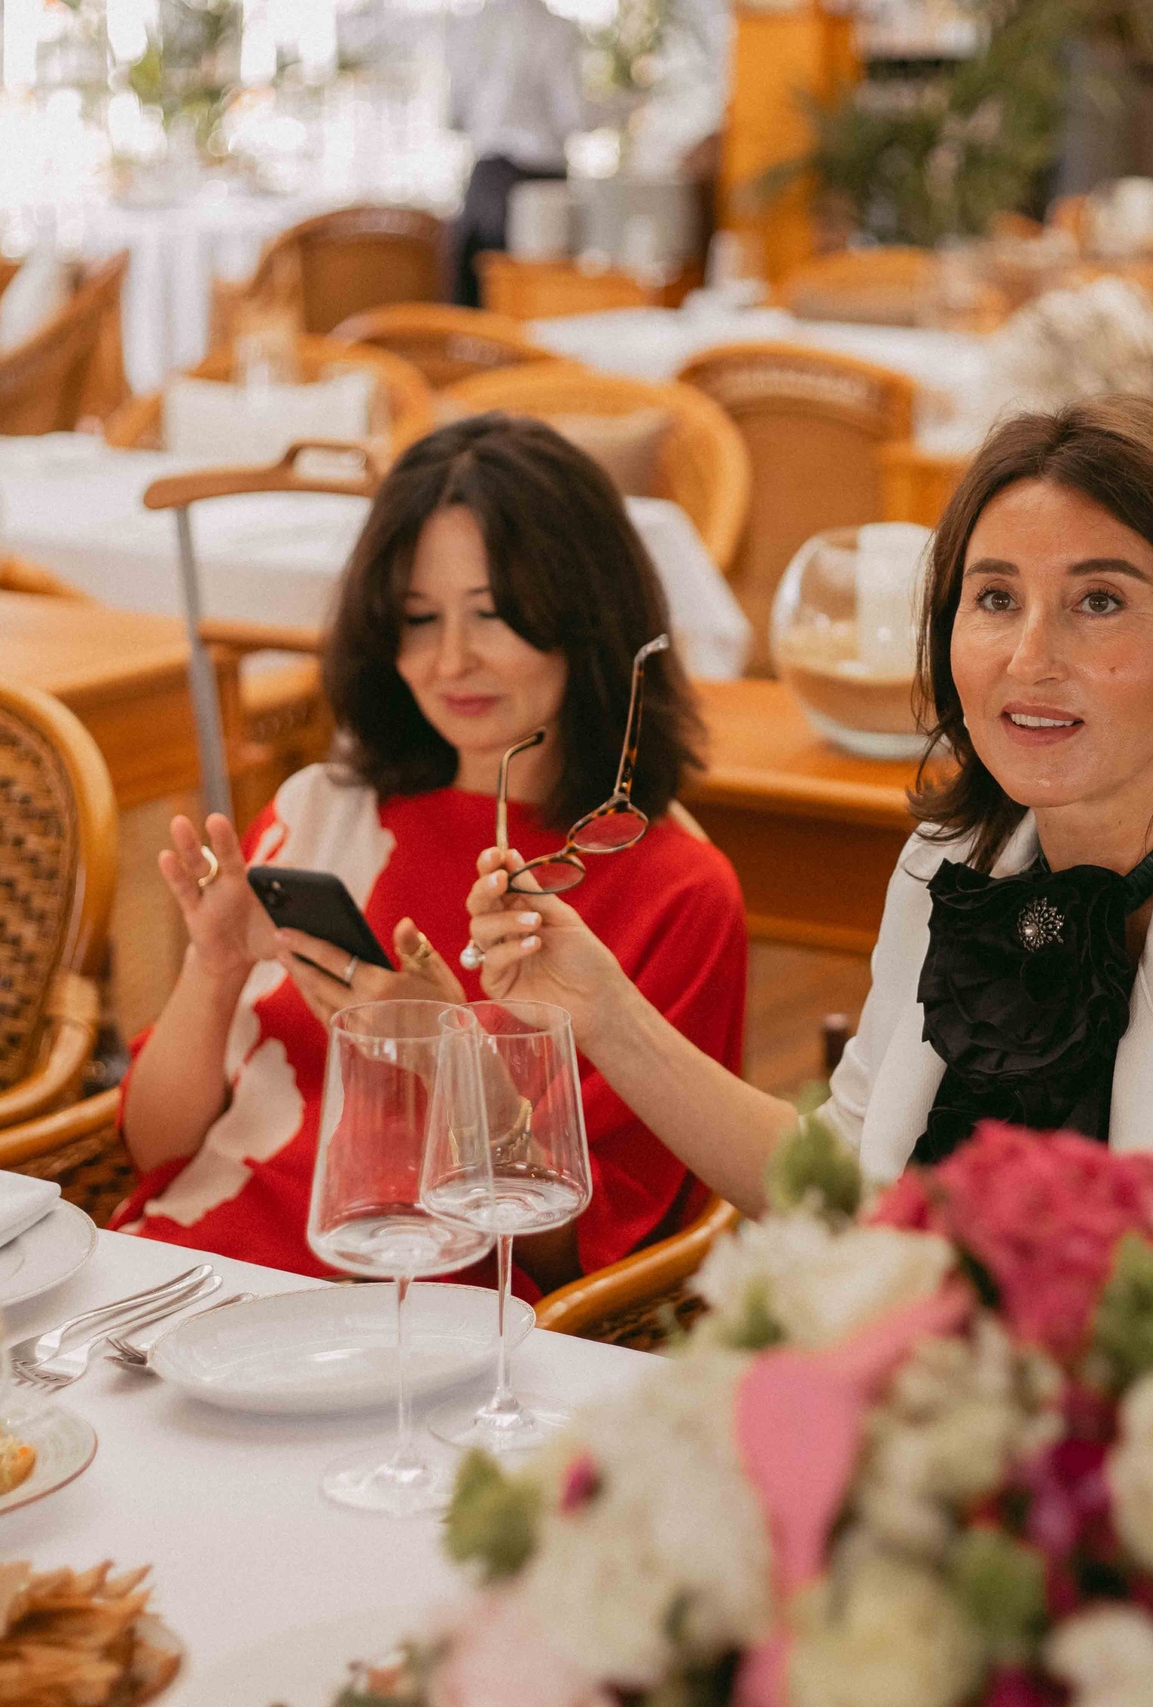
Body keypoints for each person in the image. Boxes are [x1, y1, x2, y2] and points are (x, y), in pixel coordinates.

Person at [466, 396, 1153, 1315]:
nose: (1027, 659)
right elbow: (842, 1191)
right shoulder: (943, 876)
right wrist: (602, 1012)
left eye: (1098, 602)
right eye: (994, 598)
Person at [115, 415, 747, 1292]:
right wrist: (213, 970)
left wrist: (449, 1066)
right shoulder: (323, 809)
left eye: (491, 614)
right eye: (418, 619)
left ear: (586, 615)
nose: (451, 659)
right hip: (182, 1278)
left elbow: (583, 1265)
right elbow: (157, 1151)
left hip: (416, 1332)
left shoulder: (674, 890)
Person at [444, 0, 584, 307]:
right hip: (543, 182)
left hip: (487, 178)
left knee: (479, 304)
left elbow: (453, 116)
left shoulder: (466, 28)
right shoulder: (558, 30)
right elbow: (573, 117)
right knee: (539, 302)